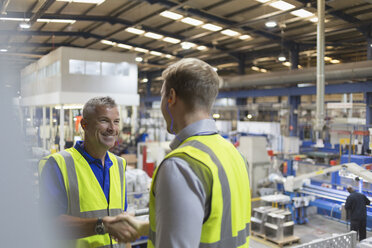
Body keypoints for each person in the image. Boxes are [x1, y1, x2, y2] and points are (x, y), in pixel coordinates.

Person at [127, 58, 251, 247]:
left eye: (162, 96)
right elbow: (214, 224)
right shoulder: (235, 155)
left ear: (172, 97)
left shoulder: (180, 166)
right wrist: (143, 227)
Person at [39, 96, 138, 247]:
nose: (112, 128)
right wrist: (102, 225)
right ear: (84, 124)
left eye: (116, 121)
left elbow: (120, 218)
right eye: (104, 120)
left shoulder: (119, 164)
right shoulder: (59, 164)